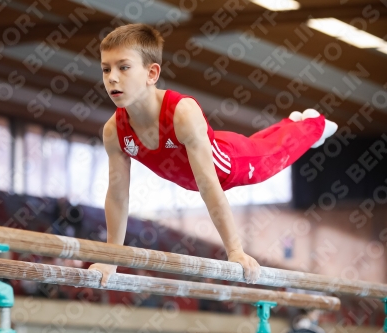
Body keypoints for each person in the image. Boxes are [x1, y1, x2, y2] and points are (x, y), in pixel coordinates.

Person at [88, 24, 337, 286]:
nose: (112, 78)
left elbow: (208, 185)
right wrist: (110, 259)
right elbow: (117, 196)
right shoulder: (114, 131)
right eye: (106, 69)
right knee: (262, 143)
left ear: (152, 73)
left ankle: (313, 126)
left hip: (226, 165)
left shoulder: (181, 113)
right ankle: (292, 124)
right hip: (203, 162)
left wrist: (235, 250)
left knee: (270, 158)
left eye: (123, 67)